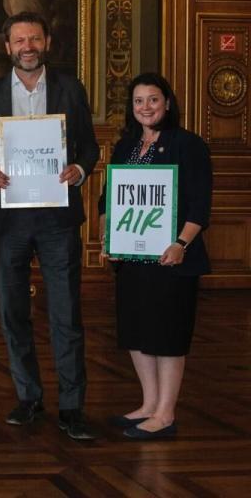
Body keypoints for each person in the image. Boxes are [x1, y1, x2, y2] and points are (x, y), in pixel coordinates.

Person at [0, 11, 99, 440]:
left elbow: (90, 146)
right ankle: (28, 397)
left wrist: (79, 170)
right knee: (13, 313)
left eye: (34, 39)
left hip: (57, 221)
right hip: (8, 222)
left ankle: (71, 405)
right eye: (19, 40)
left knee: (66, 314)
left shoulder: (69, 88)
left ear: (46, 42)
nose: (27, 46)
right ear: (7, 47)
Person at [99, 73, 212, 440]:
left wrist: (181, 243)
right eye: (138, 101)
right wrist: (107, 237)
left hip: (171, 259)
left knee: (167, 335)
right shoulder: (126, 147)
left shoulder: (188, 145)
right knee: (137, 332)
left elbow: (200, 204)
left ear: (167, 103)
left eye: (153, 100)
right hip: (132, 260)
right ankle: (148, 404)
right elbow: (107, 200)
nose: (145, 107)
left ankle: (165, 414)